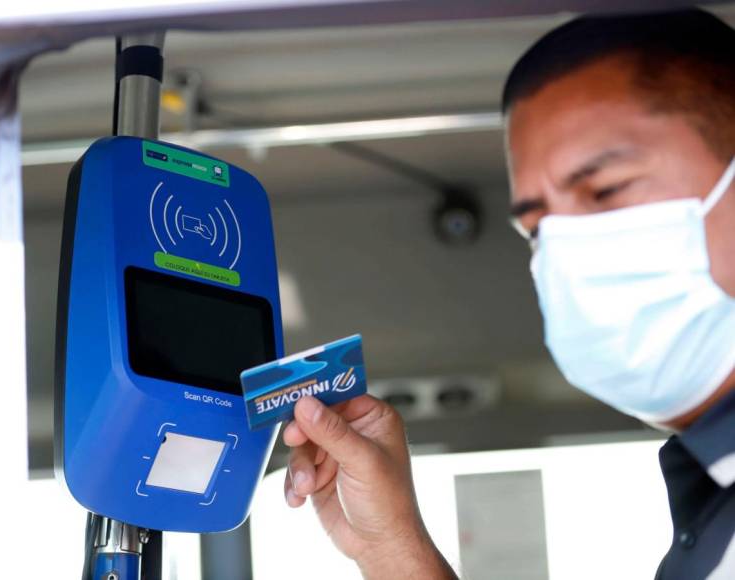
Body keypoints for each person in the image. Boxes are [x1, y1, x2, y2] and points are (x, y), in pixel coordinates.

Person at [282, 8, 735, 579]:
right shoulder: (713, 503)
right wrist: (389, 544)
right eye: (540, 228)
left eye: (606, 190)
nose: (572, 253)